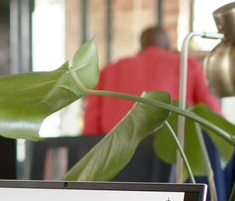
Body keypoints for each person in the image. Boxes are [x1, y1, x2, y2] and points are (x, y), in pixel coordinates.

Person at [83, 26, 221, 135]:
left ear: (140, 47)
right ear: (168, 46)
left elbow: (91, 126)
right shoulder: (187, 64)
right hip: (175, 159)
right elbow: (214, 117)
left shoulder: (109, 70)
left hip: (117, 161)